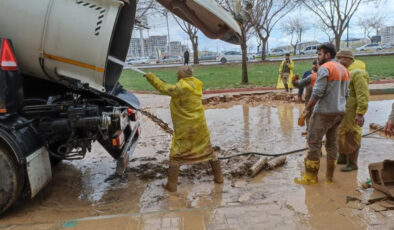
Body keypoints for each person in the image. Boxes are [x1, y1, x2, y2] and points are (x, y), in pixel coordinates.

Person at [144, 66, 223, 192]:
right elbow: (170, 87)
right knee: (208, 152)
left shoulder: (181, 87)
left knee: (176, 156)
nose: (177, 76)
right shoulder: (196, 84)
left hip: (186, 128)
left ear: (181, 76)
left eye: (178, 74)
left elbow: (163, 88)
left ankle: (171, 186)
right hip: (200, 126)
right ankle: (219, 179)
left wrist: (151, 77)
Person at [294, 43, 349, 185]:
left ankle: (310, 178)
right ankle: (329, 178)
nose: (317, 58)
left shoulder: (325, 68)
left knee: (313, 142)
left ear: (327, 55)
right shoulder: (343, 69)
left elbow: (318, 92)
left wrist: (306, 110)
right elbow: (346, 94)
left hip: (323, 112)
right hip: (339, 112)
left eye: (319, 54)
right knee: (332, 144)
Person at [336, 50, 369, 172]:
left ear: (349, 59)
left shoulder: (358, 73)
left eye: (342, 58)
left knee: (352, 134)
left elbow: (363, 94)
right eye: (338, 58)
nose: (340, 61)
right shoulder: (345, 72)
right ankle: (343, 157)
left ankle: (353, 163)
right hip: (343, 110)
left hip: (352, 111)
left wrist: (360, 113)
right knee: (341, 133)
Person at [292, 60, 319, 136]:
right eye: (314, 65)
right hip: (309, 97)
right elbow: (301, 85)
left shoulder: (322, 74)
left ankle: (317, 132)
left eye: (316, 64)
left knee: (318, 115)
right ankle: (309, 130)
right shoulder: (308, 74)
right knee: (308, 114)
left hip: (319, 98)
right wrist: (299, 95)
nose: (315, 66)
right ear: (312, 65)